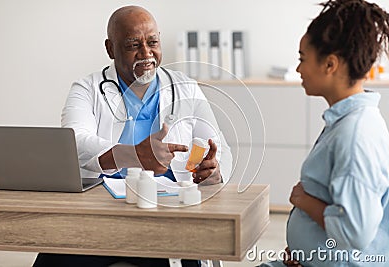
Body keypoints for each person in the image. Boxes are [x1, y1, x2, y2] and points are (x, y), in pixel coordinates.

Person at [33, 5, 232, 267]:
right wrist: (136, 155)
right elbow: (74, 143)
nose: (146, 53)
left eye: (153, 42)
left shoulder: (185, 88)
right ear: (110, 48)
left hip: (166, 218)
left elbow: (218, 147)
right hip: (98, 218)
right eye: (132, 45)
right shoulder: (88, 88)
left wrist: (214, 172)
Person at [260, 0, 389, 266]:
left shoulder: (355, 135)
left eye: (302, 59)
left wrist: (304, 201)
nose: (298, 69)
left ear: (330, 64)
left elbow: (356, 232)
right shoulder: (346, 121)